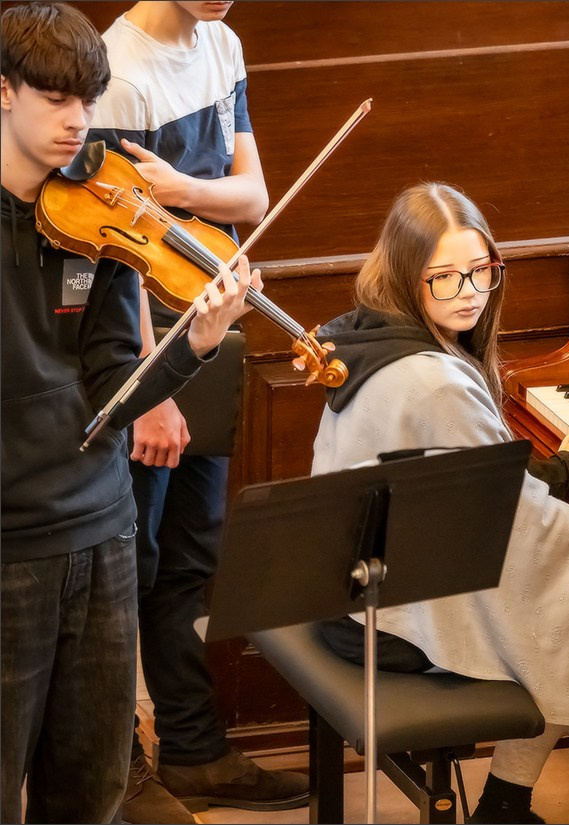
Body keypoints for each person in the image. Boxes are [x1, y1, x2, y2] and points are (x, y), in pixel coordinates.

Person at [311, 182, 569, 824]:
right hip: (387, 622)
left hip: (358, 590)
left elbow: (468, 483)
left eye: (480, 272)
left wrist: (561, 467)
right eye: (445, 278)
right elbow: (525, 529)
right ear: (409, 277)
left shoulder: (366, 335)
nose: (467, 293)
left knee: (557, 610)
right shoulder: (434, 379)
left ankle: (504, 804)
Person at [0, 3, 259, 823]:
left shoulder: (96, 211)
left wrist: (195, 346)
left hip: (103, 529)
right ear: (3, 93)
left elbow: (117, 378)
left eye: (88, 102)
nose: (80, 125)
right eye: (57, 102)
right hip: (11, 547)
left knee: (93, 790)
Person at [86, 2, 308, 820]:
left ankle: (192, 748)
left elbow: (252, 196)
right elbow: (117, 247)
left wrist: (183, 189)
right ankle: (120, 765)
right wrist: (154, 389)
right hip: (148, 352)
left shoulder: (223, 42)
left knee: (188, 559)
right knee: (129, 568)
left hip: (212, 321)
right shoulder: (117, 72)